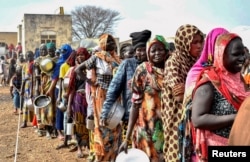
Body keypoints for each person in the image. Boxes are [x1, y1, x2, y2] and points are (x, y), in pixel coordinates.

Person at [191, 33, 249, 161]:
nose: (242, 58)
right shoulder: (210, 83)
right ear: (221, 55)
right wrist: (238, 118)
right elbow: (197, 119)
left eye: (243, 53)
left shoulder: (240, 79)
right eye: (236, 54)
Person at [100, 29, 151, 158]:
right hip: (130, 118)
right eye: (138, 50)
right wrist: (105, 113)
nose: (141, 53)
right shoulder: (127, 64)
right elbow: (113, 90)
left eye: (144, 49)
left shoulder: (153, 66)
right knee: (131, 153)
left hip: (151, 119)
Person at [118, 35, 169, 162]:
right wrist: (127, 138)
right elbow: (135, 105)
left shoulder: (172, 69)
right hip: (146, 131)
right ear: (148, 53)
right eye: (153, 50)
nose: (157, 53)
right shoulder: (142, 71)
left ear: (166, 51)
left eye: (160, 49)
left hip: (168, 129)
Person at [161, 24, 204, 162]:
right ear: (184, 43)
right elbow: (180, 96)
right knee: (176, 154)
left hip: (191, 119)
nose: (199, 46)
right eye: (194, 42)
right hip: (176, 118)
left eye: (200, 41)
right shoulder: (173, 63)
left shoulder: (196, 62)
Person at [75, 33, 121, 162]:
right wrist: (90, 82)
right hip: (102, 95)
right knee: (103, 125)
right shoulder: (96, 58)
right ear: (102, 44)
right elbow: (78, 70)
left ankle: (113, 156)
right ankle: (102, 157)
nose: (111, 44)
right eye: (108, 42)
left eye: (112, 42)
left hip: (115, 96)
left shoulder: (117, 59)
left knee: (115, 125)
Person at [65, 47, 91, 158]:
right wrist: (68, 106)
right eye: (78, 55)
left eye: (82, 55)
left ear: (86, 56)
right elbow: (71, 89)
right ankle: (80, 148)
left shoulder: (91, 69)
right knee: (79, 124)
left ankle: (89, 147)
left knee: (90, 123)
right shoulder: (74, 70)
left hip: (90, 99)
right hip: (78, 99)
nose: (80, 57)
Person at [20, 51, 35, 128]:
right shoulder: (24, 66)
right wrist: (22, 89)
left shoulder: (35, 64)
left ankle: (35, 122)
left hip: (35, 85)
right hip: (26, 86)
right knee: (26, 104)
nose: (29, 58)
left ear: (33, 56)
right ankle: (24, 121)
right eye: (27, 56)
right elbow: (23, 78)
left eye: (30, 56)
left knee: (34, 103)